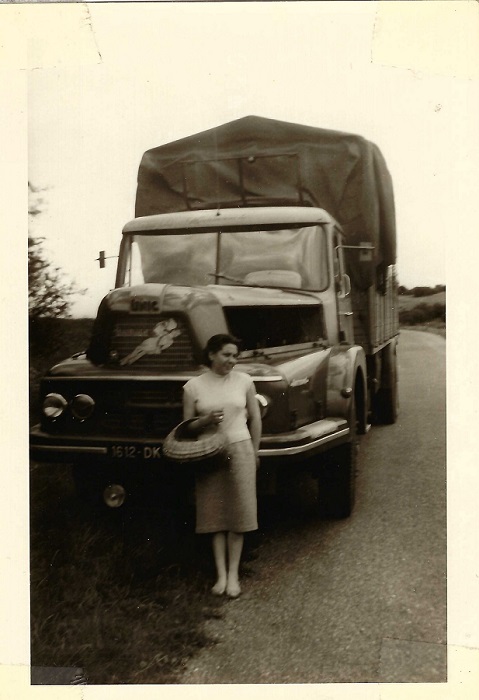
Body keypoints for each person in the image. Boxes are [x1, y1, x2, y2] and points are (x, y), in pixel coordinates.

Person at [183, 334, 262, 598]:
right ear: (212, 355)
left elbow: (256, 419)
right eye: (227, 354)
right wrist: (205, 420)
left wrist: (255, 450)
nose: (232, 360)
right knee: (213, 514)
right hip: (208, 452)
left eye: (235, 355)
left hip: (240, 448)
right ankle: (220, 576)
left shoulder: (244, 381)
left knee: (238, 513)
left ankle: (234, 576)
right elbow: (186, 427)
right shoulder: (192, 387)